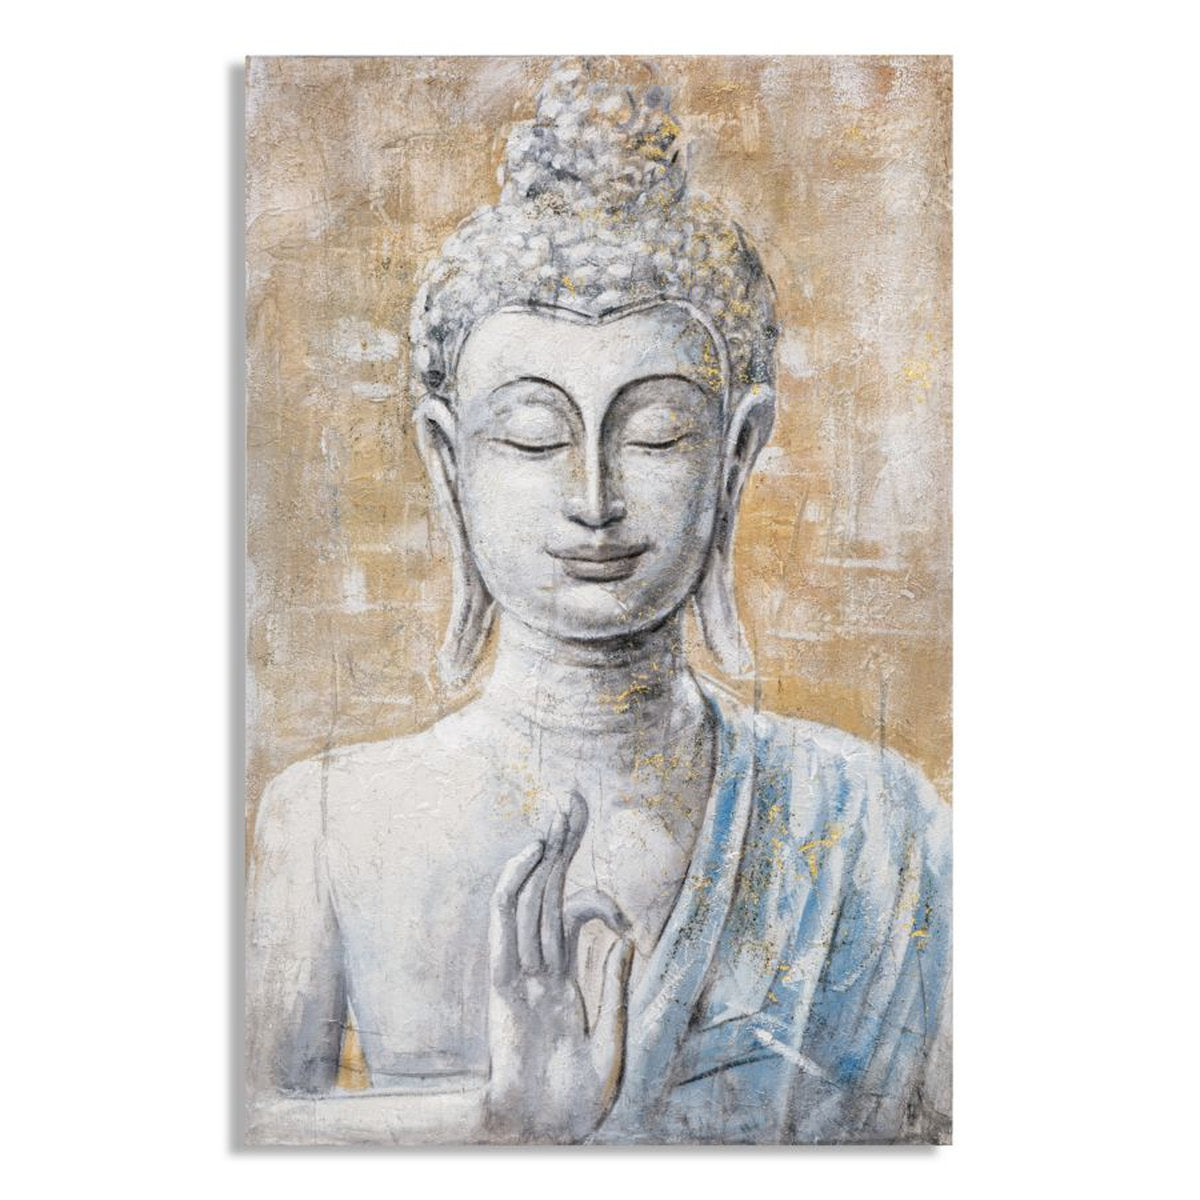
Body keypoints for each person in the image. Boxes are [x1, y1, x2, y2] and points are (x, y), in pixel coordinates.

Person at [246, 59, 950, 1146]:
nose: (594, 498)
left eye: (658, 433)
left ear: (736, 454)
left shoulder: (878, 826)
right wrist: (499, 1120)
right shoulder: (330, 819)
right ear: (448, 462)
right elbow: (228, 1137)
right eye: (533, 436)